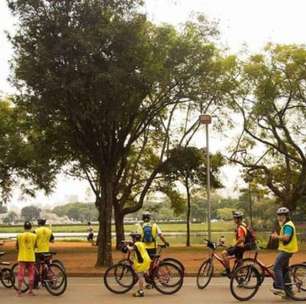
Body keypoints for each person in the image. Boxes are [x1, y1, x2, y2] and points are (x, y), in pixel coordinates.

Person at [270, 207, 298, 297]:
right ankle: (289, 292)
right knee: (285, 270)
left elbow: (286, 237)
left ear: (286, 216)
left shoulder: (288, 226)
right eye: (278, 215)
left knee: (276, 267)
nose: (279, 217)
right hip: (287, 249)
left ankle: (280, 288)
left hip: (287, 251)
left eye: (281, 215)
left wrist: (276, 237)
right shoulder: (285, 225)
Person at [221, 211, 248, 276]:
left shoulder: (240, 228)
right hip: (243, 246)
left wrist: (234, 244)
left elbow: (242, 239)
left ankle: (228, 271)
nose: (234, 219)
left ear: (238, 219)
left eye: (235, 218)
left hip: (239, 246)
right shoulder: (244, 225)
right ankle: (242, 279)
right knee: (239, 261)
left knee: (224, 253)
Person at [126, 233, 151, 297]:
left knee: (140, 276)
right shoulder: (141, 243)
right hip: (146, 259)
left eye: (132, 238)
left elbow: (131, 249)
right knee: (143, 273)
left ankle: (141, 291)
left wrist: (127, 246)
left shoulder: (136, 244)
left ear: (134, 238)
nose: (132, 239)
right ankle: (149, 283)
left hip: (142, 261)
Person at [16, 221, 37, 296]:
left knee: (21, 275)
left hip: (22, 257)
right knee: (31, 274)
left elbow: (17, 247)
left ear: (24, 227)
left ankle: (19, 291)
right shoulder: (34, 236)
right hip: (31, 257)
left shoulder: (19, 236)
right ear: (31, 227)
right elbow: (35, 246)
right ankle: (30, 291)